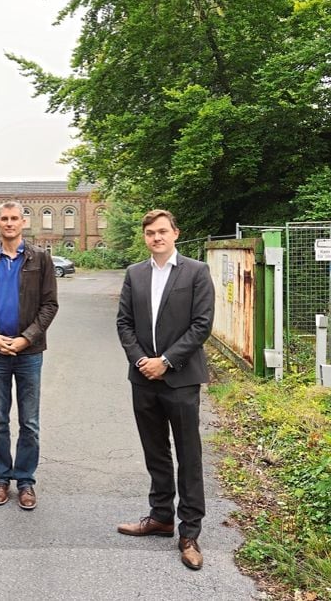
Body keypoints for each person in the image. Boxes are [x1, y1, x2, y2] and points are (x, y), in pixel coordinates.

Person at [115, 209, 215, 570]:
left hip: (181, 378)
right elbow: (124, 322)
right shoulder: (135, 274)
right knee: (155, 452)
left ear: (175, 233)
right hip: (143, 379)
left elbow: (202, 325)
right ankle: (160, 517)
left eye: (162, 231)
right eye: (150, 233)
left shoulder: (196, 272)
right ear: (145, 238)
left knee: (189, 456)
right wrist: (143, 360)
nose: (156, 238)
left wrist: (167, 361)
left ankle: (189, 533)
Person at [0, 201, 58, 511]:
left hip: (29, 353)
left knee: (29, 421)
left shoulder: (41, 260)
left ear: (23, 222)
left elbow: (49, 305)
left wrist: (25, 339)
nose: (9, 223)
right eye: (4, 219)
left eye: (14, 218)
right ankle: (2, 477)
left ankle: (26, 481)